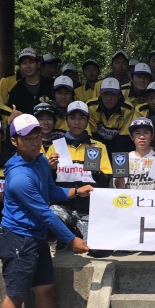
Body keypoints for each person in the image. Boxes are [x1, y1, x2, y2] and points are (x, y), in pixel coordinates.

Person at [0, 114, 87, 308]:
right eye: (29, 137)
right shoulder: (19, 178)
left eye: (38, 135)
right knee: (15, 295)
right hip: (18, 239)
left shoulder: (38, 161)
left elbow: (49, 192)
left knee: (44, 288)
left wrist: (75, 191)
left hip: (35, 237)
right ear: (14, 141)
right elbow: (45, 212)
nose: (36, 141)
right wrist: (71, 240)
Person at [46, 101, 116, 255]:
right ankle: (66, 236)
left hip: (88, 209)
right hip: (62, 206)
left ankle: (77, 231)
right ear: (66, 121)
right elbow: (46, 183)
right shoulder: (55, 146)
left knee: (97, 251)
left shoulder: (98, 146)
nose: (77, 122)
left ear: (87, 121)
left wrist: (96, 172)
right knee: (50, 214)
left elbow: (106, 182)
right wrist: (50, 168)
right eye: (72, 118)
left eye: (81, 118)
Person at [87, 77, 137, 155]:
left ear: (119, 96)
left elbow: (124, 138)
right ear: (100, 94)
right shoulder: (91, 106)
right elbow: (92, 136)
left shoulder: (127, 108)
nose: (109, 98)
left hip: (119, 142)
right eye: (105, 94)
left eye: (113, 94)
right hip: (97, 140)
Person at [123, 117, 155, 190]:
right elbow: (118, 188)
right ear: (131, 137)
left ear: (152, 136)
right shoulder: (124, 159)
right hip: (130, 200)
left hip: (153, 200)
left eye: (146, 132)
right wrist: (119, 176)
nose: (142, 137)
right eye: (137, 133)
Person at [6, 48, 54, 113]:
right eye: (24, 63)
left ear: (38, 64)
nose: (28, 66)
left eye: (31, 62)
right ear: (20, 67)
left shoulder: (51, 85)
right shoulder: (16, 90)